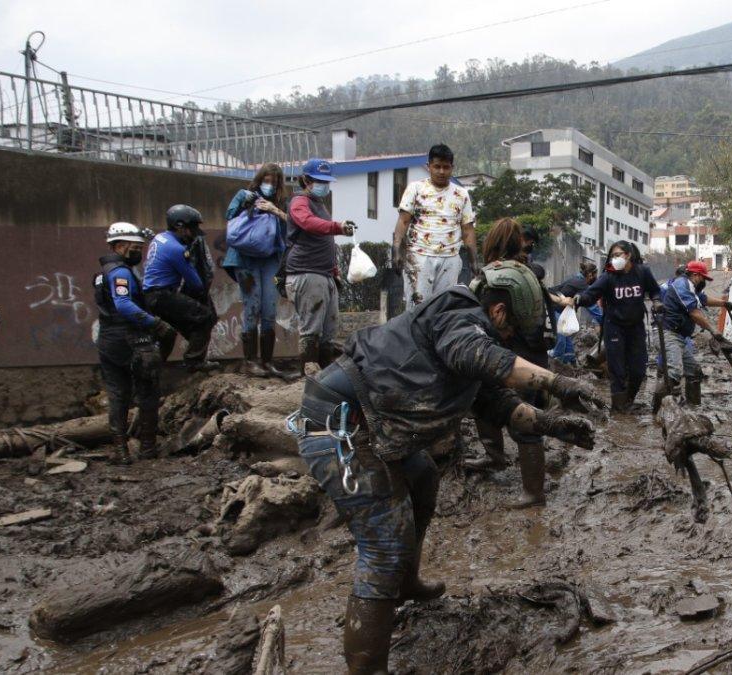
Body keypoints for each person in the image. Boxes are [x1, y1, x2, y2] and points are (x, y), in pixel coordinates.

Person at [291, 261, 603, 674]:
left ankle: (406, 581)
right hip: (341, 428)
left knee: (422, 477)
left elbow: (499, 404)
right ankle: (366, 665)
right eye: (513, 333)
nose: (513, 343)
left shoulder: (467, 340)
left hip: (378, 426)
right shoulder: (458, 316)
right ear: (498, 313)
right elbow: (481, 357)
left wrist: (552, 423)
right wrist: (559, 383)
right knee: (385, 544)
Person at [461, 219, 560, 509]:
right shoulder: (528, 273)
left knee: (520, 420)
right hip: (534, 353)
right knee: (498, 409)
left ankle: (532, 492)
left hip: (507, 356)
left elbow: (484, 320)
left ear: (490, 243)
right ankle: (496, 459)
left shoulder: (493, 278)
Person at [94, 223, 175, 463]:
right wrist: (156, 324)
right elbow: (123, 304)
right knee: (147, 392)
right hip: (131, 339)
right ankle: (147, 448)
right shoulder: (120, 272)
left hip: (107, 340)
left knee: (118, 394)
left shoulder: (103, 273)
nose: (139, 251)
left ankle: (120, 451)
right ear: (119, 246)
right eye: (135, 247)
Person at [559, 241, 660, 412]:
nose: (614, 259)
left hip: (636, 327)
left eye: (618, 255)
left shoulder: (642, 272)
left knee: (638, 369)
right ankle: (618, 406)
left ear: (628, 255)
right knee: (617, 369)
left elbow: (655, 290)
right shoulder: (609, 276)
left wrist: (657, 301)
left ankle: (628, 400)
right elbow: (591, 295)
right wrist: (578, 299)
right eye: (612, 256)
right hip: (614, 327)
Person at [285, 158, 355, 376]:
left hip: (324, 274)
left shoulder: (320, 204)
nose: (323, 185)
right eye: (318, 181)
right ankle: (307, 374)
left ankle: (325, 375)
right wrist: (338, 227)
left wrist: (334, 271)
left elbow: (326, 241)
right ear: (305, 180)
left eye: (326, 181)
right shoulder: (299, 202)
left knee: (329, 332)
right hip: (306, 272)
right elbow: (307, 223)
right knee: (311, 330)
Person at [224, 163, 291, 378]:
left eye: (274, 182)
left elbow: (290, 228)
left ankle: (268, 361)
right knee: (251, 307)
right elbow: (230, 216)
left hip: (270, 258)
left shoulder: (281, 203)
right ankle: (250, 361)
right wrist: (247, 203)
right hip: (246, 259)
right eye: (266, 180)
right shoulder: (244, 195)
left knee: (269, 308)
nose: (269, 185)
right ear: (260, 179)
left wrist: (275, 211)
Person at [392, 144, 477, 308]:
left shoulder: (462, 194)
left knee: (444, 309)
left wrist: (474, 261)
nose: (441, 171)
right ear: (429, 166)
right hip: (419, 257)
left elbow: (468, 230)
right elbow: (403, 221)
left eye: (446, 167)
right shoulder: (416, 189)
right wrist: (396, 250)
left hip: (450, 258)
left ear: (452, 168)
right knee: (417, 308)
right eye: (437, 166)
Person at [143, 205, 219, 372]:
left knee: (179, 330)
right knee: (205, 317)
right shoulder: (177, 249)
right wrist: (201, 293)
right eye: (192, 229)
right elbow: (195, 282)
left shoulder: (160, 238)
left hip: (153, 296)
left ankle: (153, 371)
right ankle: (194, 362)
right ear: (180, 226)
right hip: (162, 295)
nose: (193, 234)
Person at [656, 260, 732, 406]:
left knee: (694, 372)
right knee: (673, 374)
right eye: (703, 278)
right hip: (670, 334)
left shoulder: (691, 287)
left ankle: (693, 407)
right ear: (695, 275)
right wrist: (713, 330)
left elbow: (704, 299)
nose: (704, 281)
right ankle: (658, 410)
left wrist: (723, 303)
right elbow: (695, 313)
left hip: (680, 336)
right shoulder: (683, 285)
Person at [548, 261, 598, 364]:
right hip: (556, 308)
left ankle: (571, 360)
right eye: (595, 276)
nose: (595, 279)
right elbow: (593, 307)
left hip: (562, 310)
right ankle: (554, 360)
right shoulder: (582, 284)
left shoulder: (578, 279)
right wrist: (603, 321)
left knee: (567, 337)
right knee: (561, 340)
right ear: (590, 275)